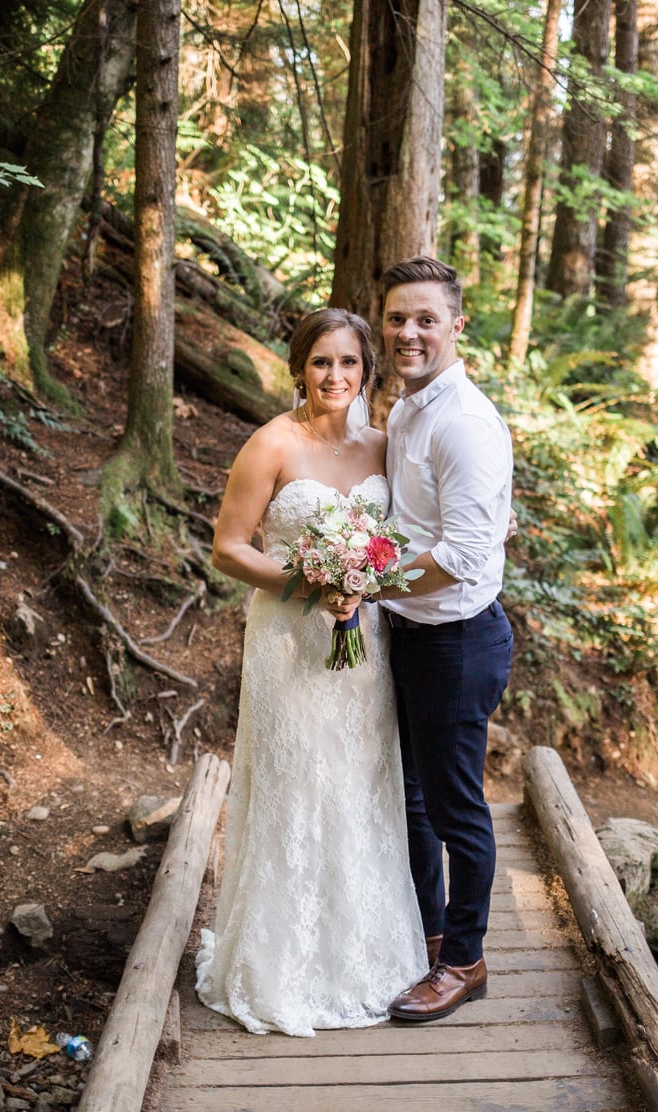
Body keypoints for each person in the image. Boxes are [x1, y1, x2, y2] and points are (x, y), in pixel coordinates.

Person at [194, 308, 427, 1037]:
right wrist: (306, 582)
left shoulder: (386, 446)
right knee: (295, 784)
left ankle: (364, 960)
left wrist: (369, 580)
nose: (335, 377)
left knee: (361, 784)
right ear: (300, 366)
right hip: (288, 641)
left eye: (349, 363)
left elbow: (414, 536)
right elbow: (228, 548)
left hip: (366, 642)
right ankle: (278, 965)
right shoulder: (271, 443)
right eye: (321, 362)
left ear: (367, 370)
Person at [374, 257, 516, 1023]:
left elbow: (461, 556)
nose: (409, 332)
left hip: (456, 642)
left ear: (457, 326)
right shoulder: (406, 407)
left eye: (426, 318)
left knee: (457, 809)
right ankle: (429, 933)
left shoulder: (462, 419)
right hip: (414, 633)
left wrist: (366, 587)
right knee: (417, 799)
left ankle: (464, 961)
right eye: (398, 318)